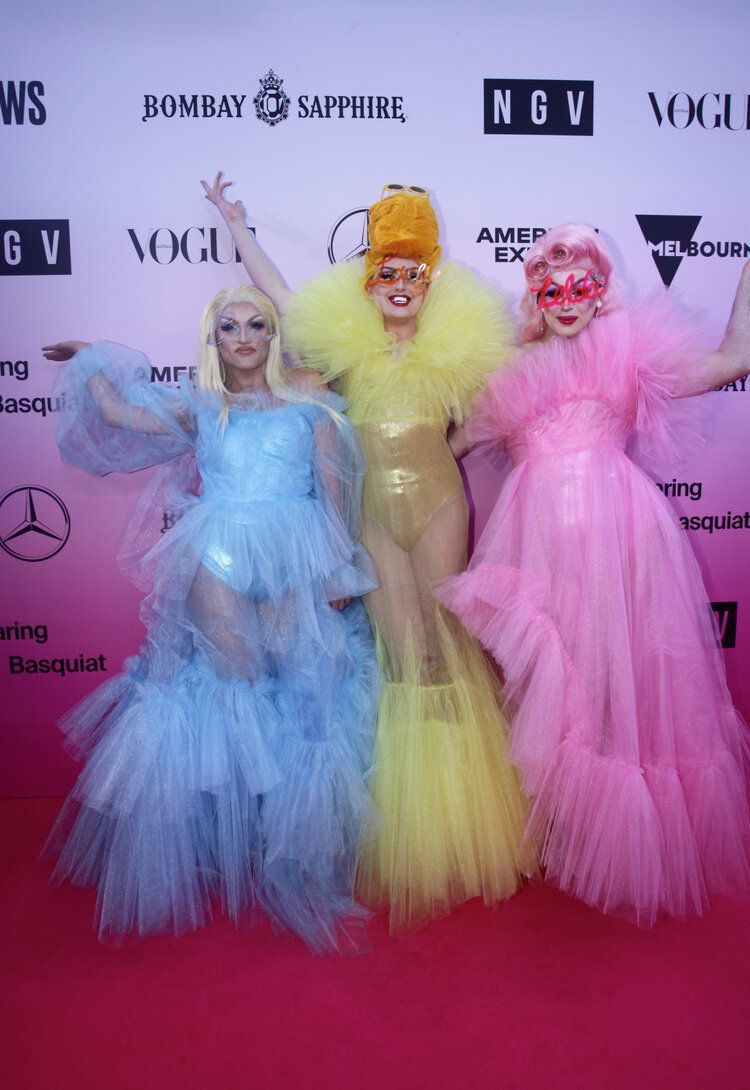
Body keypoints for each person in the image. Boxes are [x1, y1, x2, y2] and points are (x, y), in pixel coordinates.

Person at [202, 173, 532, 931]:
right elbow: (281, 295)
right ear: (368, 281)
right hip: (372, 513)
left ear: (431, 281)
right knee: (400, 650)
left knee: (446, 646)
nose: (401, 286)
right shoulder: (343, 343)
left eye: (414, 273)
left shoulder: (464, 343)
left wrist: (445, 449)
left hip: (440, 502)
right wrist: (234, 222)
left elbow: (496, 407)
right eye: (387, 272)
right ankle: (410, 830)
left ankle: (462, 825)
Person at [40, 285, 379, 952]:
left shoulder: (311, 406)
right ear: (215, 339)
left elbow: (333, 490)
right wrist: (89, 359)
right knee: (237, 688)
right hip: (218, 552)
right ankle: (230, 846)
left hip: (295, 553)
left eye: (257, 324)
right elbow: (115, 412)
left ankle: (284, 846)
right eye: (231, 327)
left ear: (274, 335)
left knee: (298, 690)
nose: (245, 336)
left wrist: (339, 568)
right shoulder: (202, 406)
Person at [437, 224, 750, 925]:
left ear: (601, 290)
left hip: (622, 537)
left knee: (622, 675)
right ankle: (568, 825)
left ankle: (621, 835)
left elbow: (734, 360)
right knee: (563, 678)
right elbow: (448, 447)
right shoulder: (508, 378)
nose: (567, 298)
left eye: (582, 283)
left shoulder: (629, 350)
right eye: (552, 286)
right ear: (536, 299)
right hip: (537, 545)